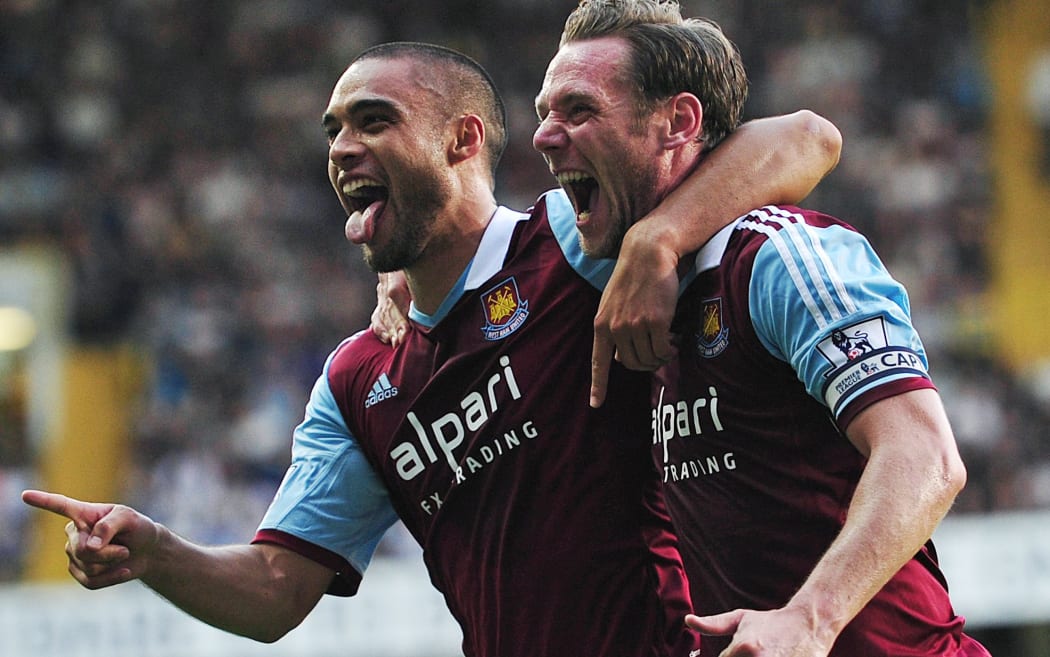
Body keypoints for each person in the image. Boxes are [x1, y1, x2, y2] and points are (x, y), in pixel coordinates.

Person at [22, 35, 839, 657]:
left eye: (374, 121)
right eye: (334, 130)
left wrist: (659, 238)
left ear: (462, 140)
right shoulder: (356, 381)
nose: (341, 147)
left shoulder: (574, 246)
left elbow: (804, 137)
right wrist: (157, 551)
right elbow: (275, 591)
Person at [531, 1, 991, 656]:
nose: (544, 137)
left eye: (579, 111)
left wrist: (810, 619)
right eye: (544, 113)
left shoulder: (778, 256)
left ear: (679, 122)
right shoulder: (627, 272)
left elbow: (926, 456)